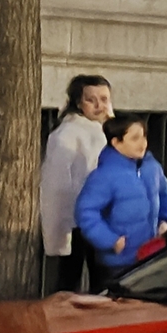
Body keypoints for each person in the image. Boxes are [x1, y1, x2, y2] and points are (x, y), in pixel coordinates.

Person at [76, 115, 167, 282]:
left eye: (144, 136)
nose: (143, 143)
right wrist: (110, 240)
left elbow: (164, 193)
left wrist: (165, 219)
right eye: (135, 138)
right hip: (117, 263)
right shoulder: (104, 175)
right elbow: (85, 212)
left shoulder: (152, 167)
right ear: (116, 142)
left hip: (150, 254)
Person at [41, 74, 114, 293]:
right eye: (92, 99)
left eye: (104, 98)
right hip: (79, 220)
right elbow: (57, 183)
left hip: (102, 218)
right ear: (78, 102)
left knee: (101, 279)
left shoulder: (108, 131)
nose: (99, 105)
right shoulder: (67, 134)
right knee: (72, 279)